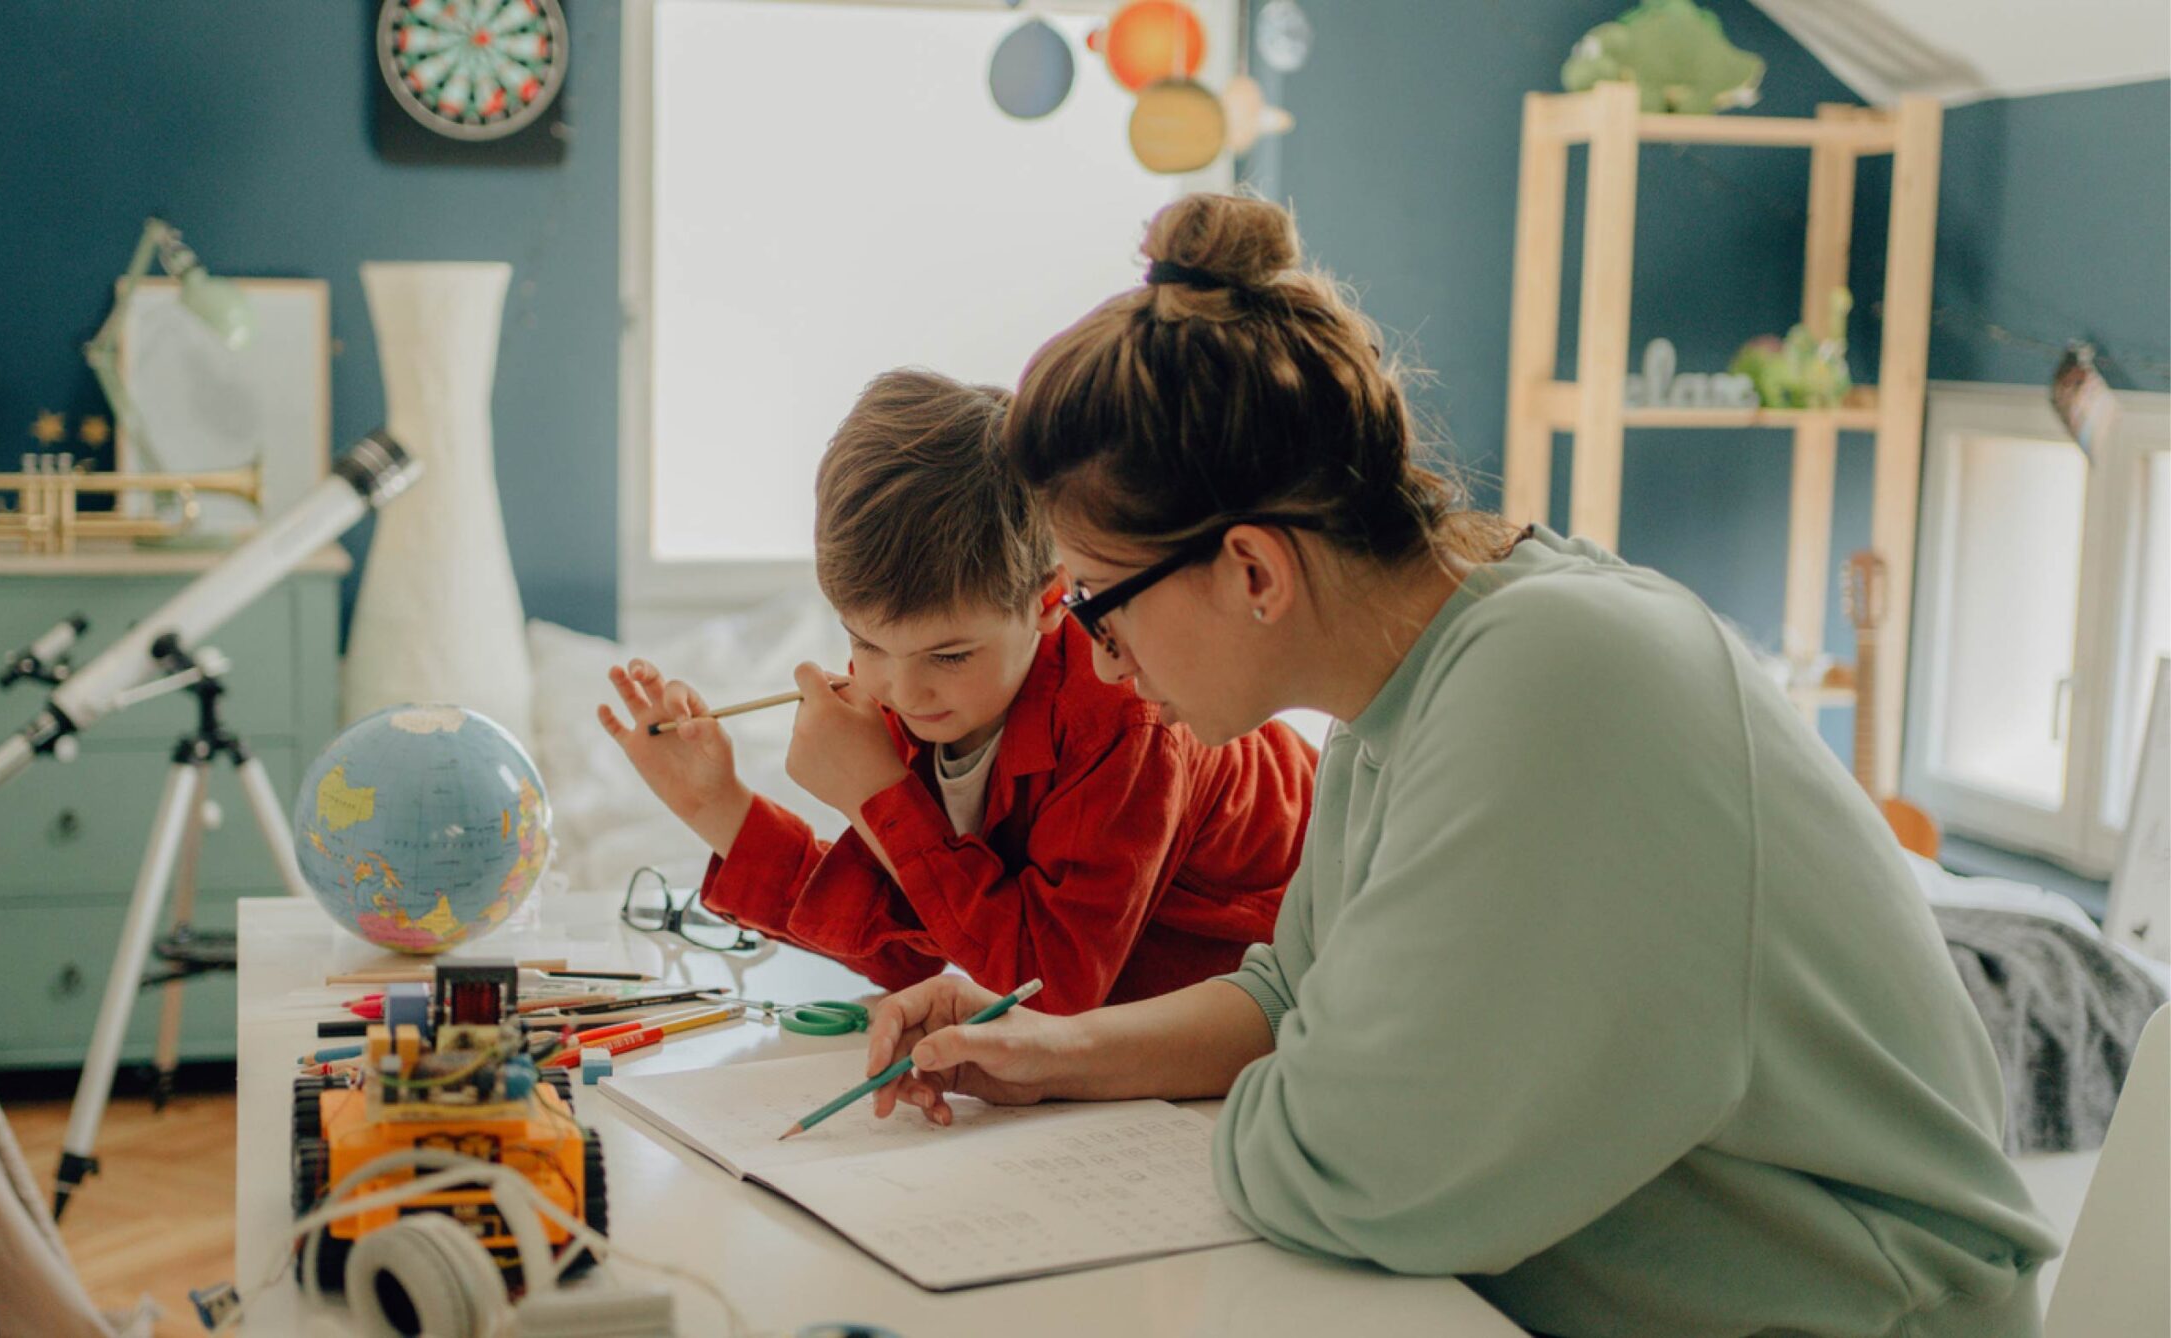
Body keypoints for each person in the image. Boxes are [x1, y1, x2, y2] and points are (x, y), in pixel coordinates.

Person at [857, 195, 2056, 1336]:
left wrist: (1305, 1080)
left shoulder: (1559, 678)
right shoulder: (1404, 691)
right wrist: (1047, 1052)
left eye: (1097, 604)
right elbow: (1290, 999)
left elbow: (1352, 1170)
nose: (1098, 658)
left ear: (1254, 572)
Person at [597, 368, 1316, 1013]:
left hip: (1314, 960)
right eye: (866, 642)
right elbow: (914, 942)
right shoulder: (930, 697)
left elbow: (1051, 988)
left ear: (1048, 600)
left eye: (948, 653)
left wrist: (877, 797)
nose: (903, 690)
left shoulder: (1123, 714)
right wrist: (717, 805)